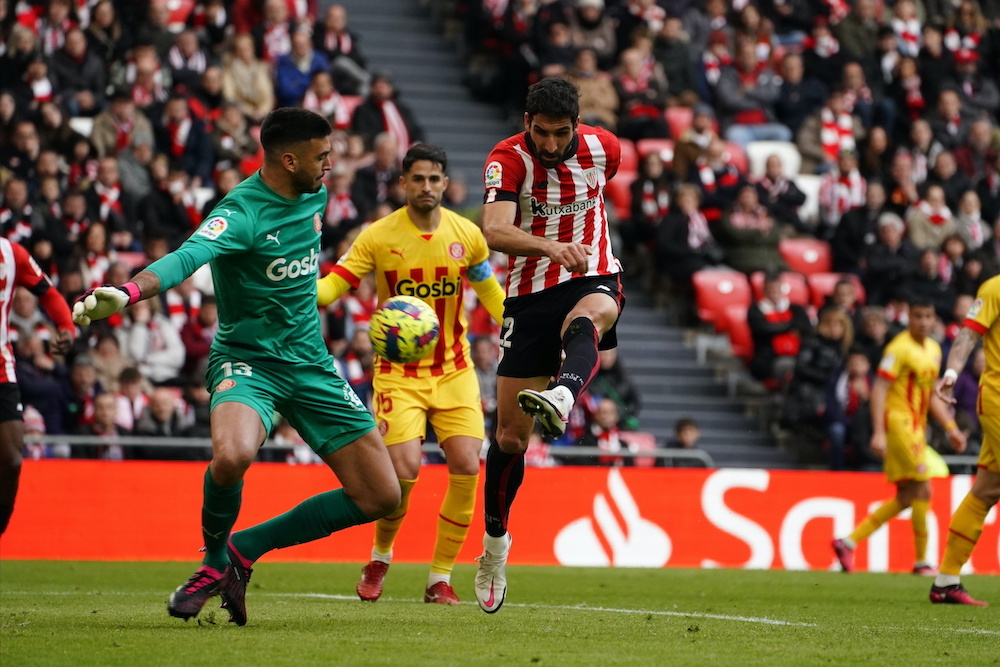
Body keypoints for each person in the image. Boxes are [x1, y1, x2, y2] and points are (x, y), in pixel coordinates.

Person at [71, 107, 400, 625]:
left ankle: (244, 549)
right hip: (249, 362)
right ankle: (212, 561)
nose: (331, 163)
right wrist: (130, 291)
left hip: (311, 362)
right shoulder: (242, 211)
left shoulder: (314, 191)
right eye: (322, 155)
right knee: (232, 456)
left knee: (382, 494)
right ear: (288, 159)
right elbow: (188, 256)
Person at [315, 144, 505, 605]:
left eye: (434, 179)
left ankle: (439, 578)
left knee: (466, 465)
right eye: (417, 179)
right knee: (403, 474)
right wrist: (295, 278)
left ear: (445, 182)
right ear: (403, 183)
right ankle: (380, 556)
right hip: (398, 375)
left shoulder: (468, 234)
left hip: (455, 370)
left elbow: (492, 295)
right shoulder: (378, 236)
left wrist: (526, 332)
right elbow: (332, 289)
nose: (426, 187)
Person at [475, 77, 624, 613]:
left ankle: (563, 393)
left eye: (561, 134)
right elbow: (492, 230)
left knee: (592, 317)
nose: (551, 144)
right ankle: (494, 545)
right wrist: (550, 247)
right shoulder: (508, 158)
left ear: (577, 126)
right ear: (526, 124)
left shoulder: (606, 148)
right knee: (511, 438)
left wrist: (574, 252)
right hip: (530, 291)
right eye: (542, 133)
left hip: (592, 273)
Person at [832, 298, 966, 578]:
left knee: (906, 497)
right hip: (900, 424)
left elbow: (929, 395)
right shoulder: (898, 348)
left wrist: (951, 428)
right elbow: (879, 389)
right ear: (909, 318)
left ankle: (848, 542)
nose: (924, 322)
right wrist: (879, 432)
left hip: (918, 427)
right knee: (924, 489)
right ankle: (921, 562)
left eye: (928, 316)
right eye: (918, 316)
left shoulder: (933, 350)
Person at [930, 274, 1000, 606]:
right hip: (999, 397)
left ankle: (946, 582)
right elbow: (969, 334)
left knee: (986, 489)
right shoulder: (995, 288)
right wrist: (952, 373)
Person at [0, 238, 75, 534]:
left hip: (2, 370)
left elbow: (48, 292)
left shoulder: (11, 252)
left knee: (12, 459)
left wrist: (66, 327)